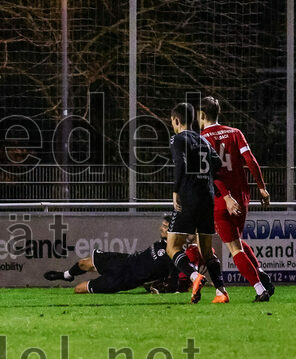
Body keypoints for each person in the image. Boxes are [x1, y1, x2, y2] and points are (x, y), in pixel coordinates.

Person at [198, 96, 274, 302]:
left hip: (222, 198)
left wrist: (226, 197)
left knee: (234, 248)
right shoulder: (235, 132)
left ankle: (260, 289)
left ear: (202, 115)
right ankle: (259, 271)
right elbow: (250, 160)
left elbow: (211, 172)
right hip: (242, 195)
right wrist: (262, 188)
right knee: (237, 241)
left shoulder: (201, 138)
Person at [44, 214, 197, 294]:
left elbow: (175, 280)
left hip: (125, 279)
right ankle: (67, 275)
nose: (161, 228)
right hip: (124, 260)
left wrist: (168, 289)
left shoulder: (175, 254)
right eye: (162, 225)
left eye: (164, 227)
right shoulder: (164, 243)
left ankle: (78, 281)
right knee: (83, 263)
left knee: (78, 289)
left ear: (172, 231)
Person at [167, 102, 226, 303]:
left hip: (189, 196)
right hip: (207, 197)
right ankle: (221, 291)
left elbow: (180, 164)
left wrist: (176, 190)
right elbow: (217, 162)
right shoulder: (204, 141)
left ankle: (194, 276)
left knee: (172, 247)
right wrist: (205, 176)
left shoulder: (177, 139)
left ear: (176, 120)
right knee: (206, 250)